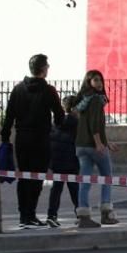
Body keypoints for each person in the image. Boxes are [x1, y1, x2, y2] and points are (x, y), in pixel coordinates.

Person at [0, 54, 65, 230]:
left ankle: (25, 215)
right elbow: (59, 117)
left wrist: (5, 137)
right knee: (37, 177)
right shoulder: (49, 91)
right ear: (43, 69)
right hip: (41, 139)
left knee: (24, 176)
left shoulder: (17, 89)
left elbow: (8, 117)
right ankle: (31, 213)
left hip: (22, 139)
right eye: (47, 66)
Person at [74, 69, 119, 228]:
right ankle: (106, 212)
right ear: (89, 82)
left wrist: (107, 142)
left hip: (81, 146)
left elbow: (92, 125)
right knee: (107, 176)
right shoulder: (95, 100)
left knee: (84, 181)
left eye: (100, 80)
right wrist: (100, 143)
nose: (99, 83)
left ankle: (84, 216)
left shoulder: (84, 100)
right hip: (93, 146)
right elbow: (95, 125)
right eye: (95, 80)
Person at [45, 95, 80, 228]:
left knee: (56, 189)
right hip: (71, 160)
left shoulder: (56, 121)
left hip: (56, 161)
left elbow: (51, 139)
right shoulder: (77, 123)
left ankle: (51, 215)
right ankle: (81, 214)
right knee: (75, 189)